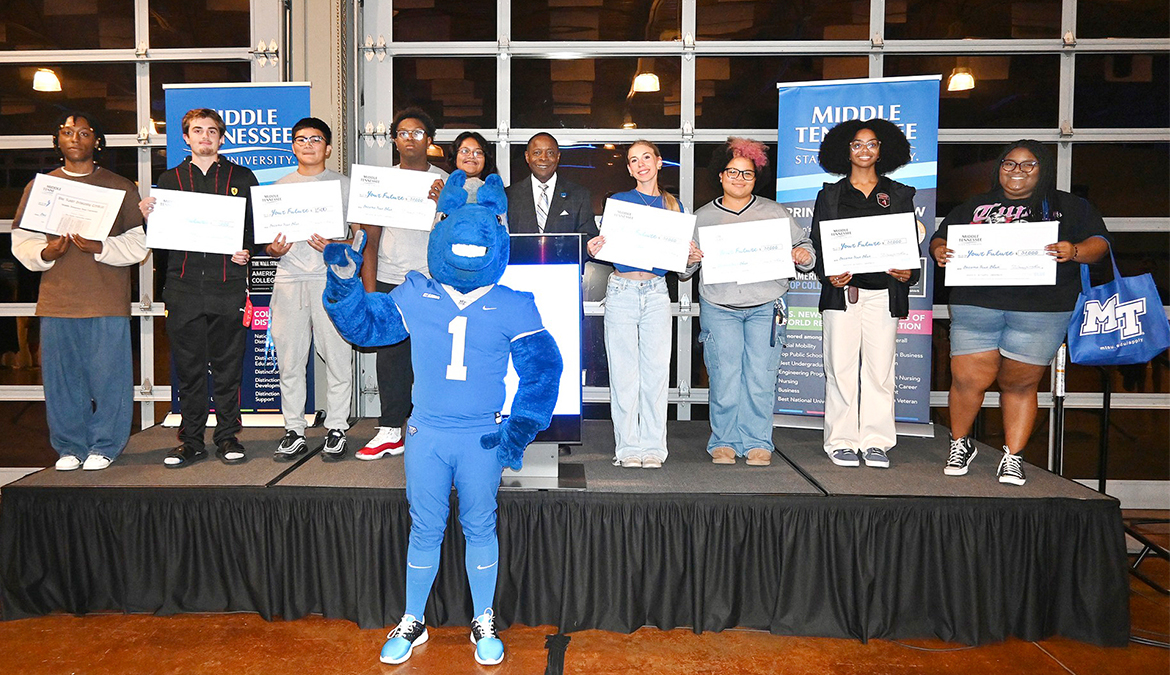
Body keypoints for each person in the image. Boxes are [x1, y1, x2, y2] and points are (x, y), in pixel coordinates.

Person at [322, 172, 562, 666]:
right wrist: (345, 285)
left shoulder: (515, 304)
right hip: (426, 433)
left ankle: (484, 617)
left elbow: (544, 371)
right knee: (424, 528)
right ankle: (413, 618)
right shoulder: (415, 292)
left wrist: (517, 430)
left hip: (480, 437)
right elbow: (367, 329)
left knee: (480, 525)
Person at [931, 140, 1109, 486]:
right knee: (967, 380)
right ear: (999, 168)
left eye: (1029, 165)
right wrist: (940, 251)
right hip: (976, 305)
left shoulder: (1068, 206)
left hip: (1041, 310)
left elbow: (1099, 245)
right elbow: (940, 238)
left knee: (1020, 384)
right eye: (1009, 164)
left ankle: (1012, 456)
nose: (1017, 171)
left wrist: (1073, 250)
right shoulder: (975, 205)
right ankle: (960, 443)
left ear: (1043, 169)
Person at [11, 111, 148, 471]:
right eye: (67, 132)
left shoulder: (120, 187)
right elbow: (21, 240)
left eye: (84, 132)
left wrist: (100, 247)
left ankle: (105, 445)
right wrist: (46, 252)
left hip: (106, 300)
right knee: (61, 381)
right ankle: (69, 447)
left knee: (110, 380)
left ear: (96, 142)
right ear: (58, 140)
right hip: (58, 299)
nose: (75, 138)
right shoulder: (42, 187)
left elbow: (140, 243)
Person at [682, 138, 815, 467]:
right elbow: (685, 271)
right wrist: (690, 259)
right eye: (733, 172)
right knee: (724, 376)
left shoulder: (775, 212)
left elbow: (806, 248)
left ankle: (757, 440)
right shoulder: (701, 218)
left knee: (761, 376)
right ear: (720, 175)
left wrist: (802, 255)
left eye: (747, 174)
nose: (739, 179)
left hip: (767, 306)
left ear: (757, 179)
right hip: (719, 307)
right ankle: (724, 440)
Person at [140, 108, 257, 468]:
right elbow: (160, 240)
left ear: (222, 138)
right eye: (197, 131)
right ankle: (191, 441)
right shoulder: (170, 179)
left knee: (227, 367)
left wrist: (247, 250)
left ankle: (227, 437)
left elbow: (255, 229)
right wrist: (148, 218)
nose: (205, 137)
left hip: (228, 285)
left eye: (212, 131)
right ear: (186, 138)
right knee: (188, 368)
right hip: (183, 286)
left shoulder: (242, 176)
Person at [810, 119, 920, 470]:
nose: (864, 150)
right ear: (846, 151)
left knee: (879, 372)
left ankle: (875, 442)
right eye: (857, 145)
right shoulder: (830, 195)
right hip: (843, 296)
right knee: (839, 369)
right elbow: (818, 245)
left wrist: (909, 272)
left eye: (872, 144)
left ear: (882, 150)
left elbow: (907, 246)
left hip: (884, 295)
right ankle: (841, 441)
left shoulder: (899, 194)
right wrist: (829, 273)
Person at [586, 140, 698, 469]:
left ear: (659, 162)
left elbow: (684, 267)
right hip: (621, 290)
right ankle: (627, 448)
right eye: (633, 160)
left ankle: (653, 447)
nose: (640, 164)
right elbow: (604, 249)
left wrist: (691, 259)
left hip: (656, 292)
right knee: (623, 375)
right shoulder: (618, 202)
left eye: (646, 157)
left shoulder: (677, 207)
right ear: (629, 168)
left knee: (655, 374)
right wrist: (594, 249)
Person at [356, 107, 448, 461]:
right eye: (404, 132)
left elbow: (455, 239)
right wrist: (369, 294)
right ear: (394, 139)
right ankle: (391, 429)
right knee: (391, 360)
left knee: (434, 359)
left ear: (431, 140)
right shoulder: (380, 183)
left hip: (434, 284)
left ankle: (431, 428)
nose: (411, 138)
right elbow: (370, 241)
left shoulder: (446, 182)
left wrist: (445, 204)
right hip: (390, 282)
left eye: (419, 133)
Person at [265, 118, 355, 462]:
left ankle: (336, 428)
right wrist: (274, 250)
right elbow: (268, 245)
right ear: (292, 146)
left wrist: (336, 244)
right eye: (300, 139)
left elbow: (359, 236)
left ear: (327, 148)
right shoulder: (278, 188)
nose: (307, 145)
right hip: (289, 280)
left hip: (331, 280)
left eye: (315, 139)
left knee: (337, 356)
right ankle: (293, 429)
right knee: (290, 360)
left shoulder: (344, 185)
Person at [505, 132, 596, 240]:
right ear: (527, 157)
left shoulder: (579, 195)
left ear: (558, 157)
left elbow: (589, 238)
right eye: (537, 152)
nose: (544, 158)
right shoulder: (509, 195)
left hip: (565, 257)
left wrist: (590, 248)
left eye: (550, 153)